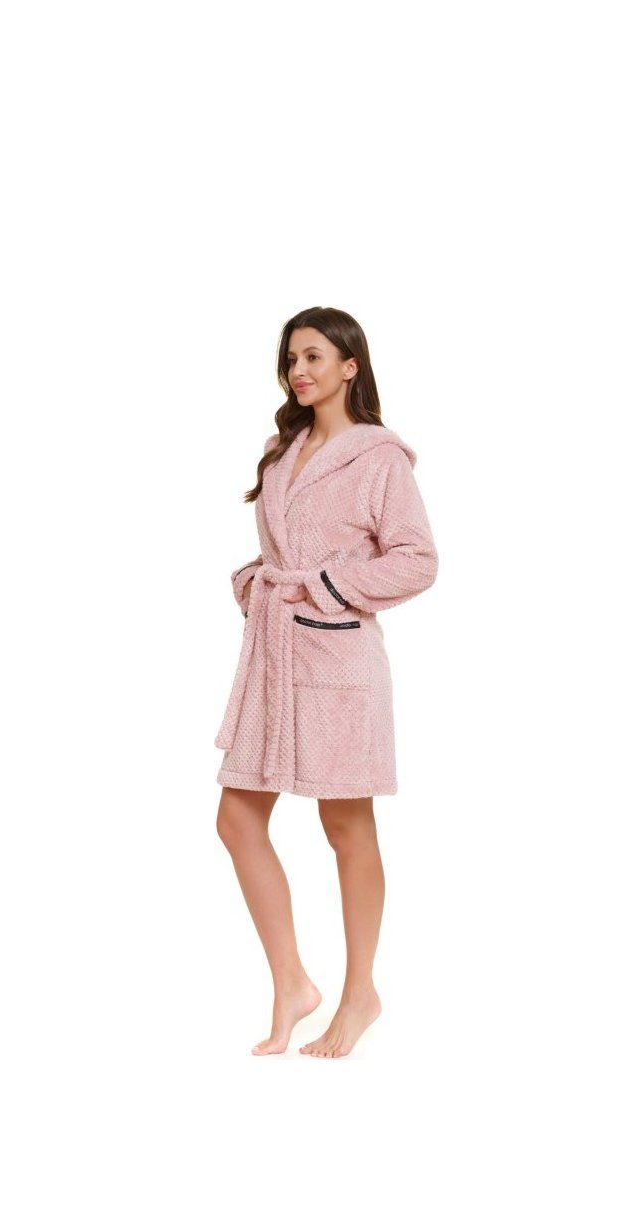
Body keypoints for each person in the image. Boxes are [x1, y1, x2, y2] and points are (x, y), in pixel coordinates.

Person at [214, 306, 439, 1058]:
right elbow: (281, 553)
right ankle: (291, 983)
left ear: (350, 365)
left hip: (339, 662)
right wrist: (255, 583)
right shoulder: (283, 453)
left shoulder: (379, 459)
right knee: (237, 818)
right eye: (290, 359)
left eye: (313, 356)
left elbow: (417, 559)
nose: (298, 371)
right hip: (275, 660)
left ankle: (360, 993)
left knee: (346, 827)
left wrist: (326, 588)